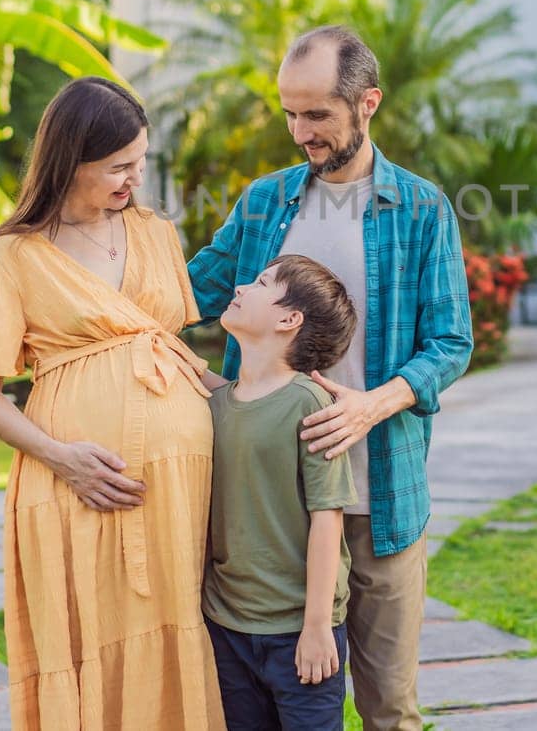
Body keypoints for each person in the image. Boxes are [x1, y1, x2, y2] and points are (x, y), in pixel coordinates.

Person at [188, 25, 474, 731]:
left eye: (317, 114)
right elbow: (185, 292)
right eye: (289, 112)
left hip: (379, 500)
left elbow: (449, 341)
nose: (299, 131)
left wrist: (374, 405)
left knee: (388, 710)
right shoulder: (264, 201)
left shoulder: (422, 208)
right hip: (269, 514)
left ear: (367, 102)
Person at [0, 77, 224, 730]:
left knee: (181, 628)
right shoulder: (11, 256)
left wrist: (284, 401)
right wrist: (62, 457)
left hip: (181, 491)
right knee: (91, 639)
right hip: (77, 486)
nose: (135, 178)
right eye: (119, 167)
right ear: (70, 159)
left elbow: (176, 354)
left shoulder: (155, 232)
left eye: (140, 161)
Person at [203, 254, 360, 730]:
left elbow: (327, 519)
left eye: (263, 282)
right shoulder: (216, 402)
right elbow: (226, 399)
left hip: (298, 630)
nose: (244, 286)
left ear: (289, 319)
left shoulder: (308, 403)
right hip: (228, 624)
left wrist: (316, 628)